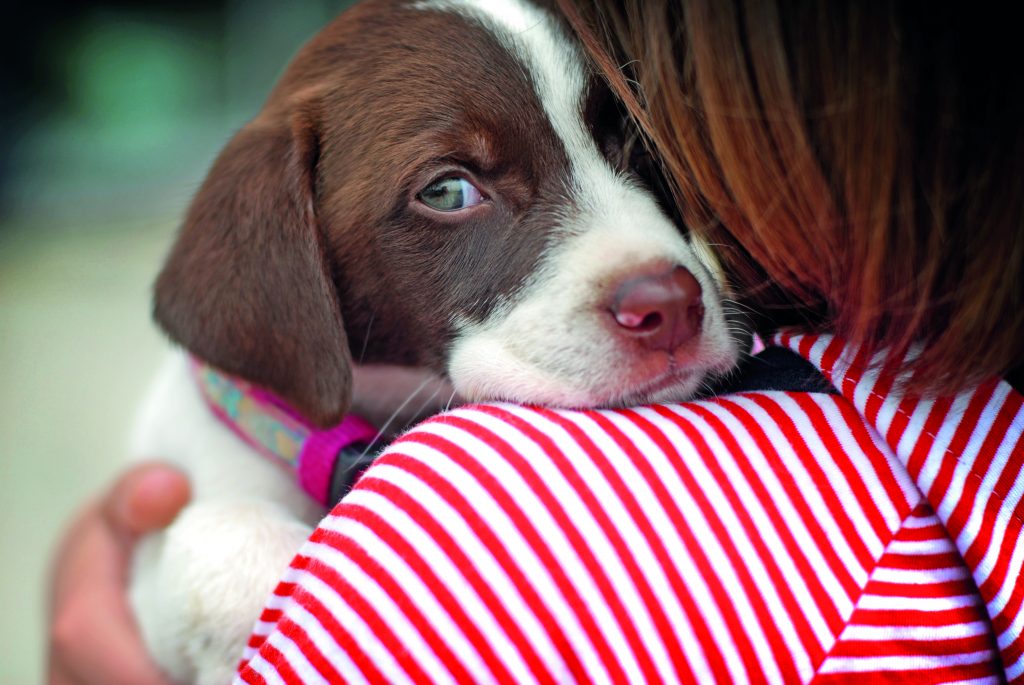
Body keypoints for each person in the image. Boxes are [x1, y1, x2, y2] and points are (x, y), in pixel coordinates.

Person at [49, 0, 1023, 683]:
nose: (653, 275)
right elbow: (151, 593)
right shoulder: (214, 419)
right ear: (282, 251)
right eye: (447, 191)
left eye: (628, 146)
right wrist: (207, 562)